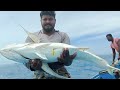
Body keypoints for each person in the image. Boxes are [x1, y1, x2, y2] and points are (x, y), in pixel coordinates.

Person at [25, 11, 77, 79]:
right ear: (40, 21)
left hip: (60, 73)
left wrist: (67, 60)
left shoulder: (63, 36)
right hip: (40, 75)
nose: (47, 21)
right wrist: (32, 65)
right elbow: (25, 60)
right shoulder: (31, 37)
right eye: (45, 19)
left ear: (55, 21)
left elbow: (69, 62)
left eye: (50, 19)